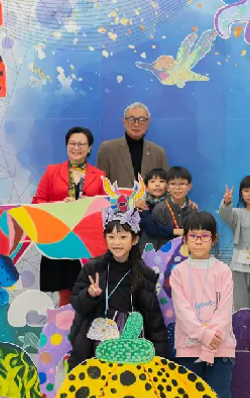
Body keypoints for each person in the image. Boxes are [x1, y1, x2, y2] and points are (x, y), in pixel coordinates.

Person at [67, 187, 168, 370]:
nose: (116, 242)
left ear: (134, 240)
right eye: (111, 237)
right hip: (96, 345)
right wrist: (90, 295)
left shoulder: (145, 275)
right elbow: (77, 304)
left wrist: (160, 360)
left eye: (123, 237)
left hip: (132, 347)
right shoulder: (94, 268)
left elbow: (154, 320)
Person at [170, 212, 235, 398]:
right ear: (185, 239)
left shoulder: (223, 271)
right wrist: (204, 335)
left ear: (214, 239)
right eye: (193, 236)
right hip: (189, 348)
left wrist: (210, 344)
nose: (199, 241)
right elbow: (183, 311)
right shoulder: (178, 272)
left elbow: (225, 310)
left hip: (220, 349)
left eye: (205, 236)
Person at [33, 127, 107, 306]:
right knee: (65, 295)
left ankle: (85, 324)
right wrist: (59, 206)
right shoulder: (52, 171)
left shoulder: (99, 176)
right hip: (60, 239)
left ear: (89, 148)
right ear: (66, 146)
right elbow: (37, 202)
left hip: (86, 243)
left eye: (81, 144)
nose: (76, 148)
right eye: (72, 143)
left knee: (90, 291)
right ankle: (64, 322)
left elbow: (106, 207)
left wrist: (88, 204)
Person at [219, 176, 250, 315]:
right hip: (238, 265)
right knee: (240, 303)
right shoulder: (237, 213)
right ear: (241, 194)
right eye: (246, 190)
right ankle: (241, 327)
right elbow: (225, 214)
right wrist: (227, 202)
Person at [96, 102, 169, 188]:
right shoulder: (107, 149)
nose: (136, 124)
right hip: (117, 197)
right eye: (131, 119)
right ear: (124, 121)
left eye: (142, 119)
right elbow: (99, 184)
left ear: (148, 123)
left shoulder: (158, 152)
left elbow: (165, 185)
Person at [152, 166, 196, 243]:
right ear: (167, 187)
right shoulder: (159, 209)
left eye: (182, 184)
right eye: (173, 184)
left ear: (189, 187)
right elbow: (156, 236)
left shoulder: (193, 209)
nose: (177, 188)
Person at [139, 168, 175, 251]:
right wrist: (175, 231)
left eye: (162, 181)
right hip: (147, 251)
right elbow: (152, 229)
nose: (157, 184)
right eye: (152, 181)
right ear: (146, 187)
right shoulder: (142, 206)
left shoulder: (173, 205)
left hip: (170, 251)